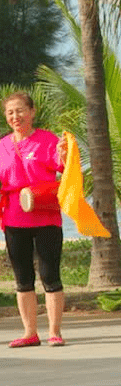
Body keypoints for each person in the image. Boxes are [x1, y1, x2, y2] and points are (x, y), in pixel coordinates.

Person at [1, 91, 67, 348]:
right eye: (10, 112)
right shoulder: (3, 146)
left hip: (46, 215)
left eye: (20, 111)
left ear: (32, 111)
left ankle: (54, 331)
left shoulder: (48, 140)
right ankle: (30, 332)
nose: (15, 116)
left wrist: (63, 153)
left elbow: (64, 169)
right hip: (14, 218)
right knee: (22, 278)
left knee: (50, 274)